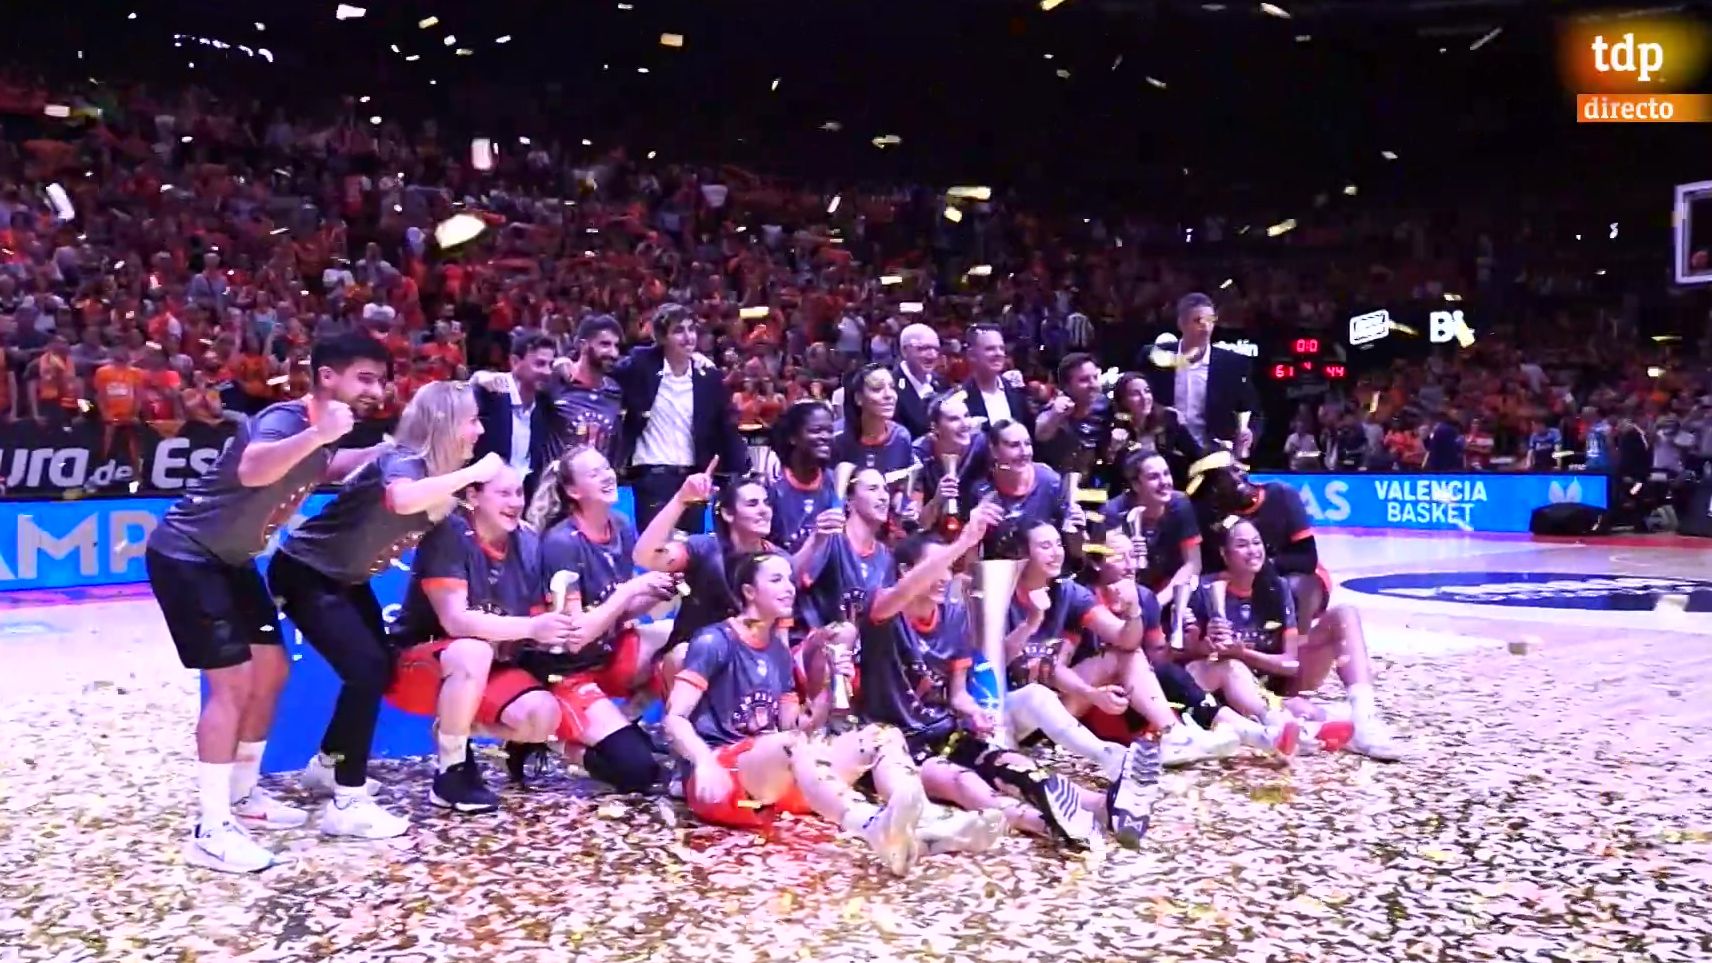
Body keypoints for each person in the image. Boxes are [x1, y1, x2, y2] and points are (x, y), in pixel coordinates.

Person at [144, 332, 389, 872]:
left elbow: (322, 467)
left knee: (272, 669)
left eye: (380, 380)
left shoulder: (326, 433)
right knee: (231, 685)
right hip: (186, 555)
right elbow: (254, 468)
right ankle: (210, 829)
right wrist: (319, 435)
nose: (376, 390)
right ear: (327, 377)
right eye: (365, 379)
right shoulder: (285, 419)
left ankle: (242, 794)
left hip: (232, 561)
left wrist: (375, 453)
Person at [270, 382, 504, 839]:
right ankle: (347, 803)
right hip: (305, 571)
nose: (479, 431)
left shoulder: (437, 473)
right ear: (445, 423)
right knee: (366, 670)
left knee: (379, 667)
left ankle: (329, 765)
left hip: (344, 577)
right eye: (472, 421)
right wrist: (474, 472)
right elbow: (402, 499)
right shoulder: (404, 461)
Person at [859, 511, 1160, 850]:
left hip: (947, 734)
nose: (944, 576)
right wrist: (963, 543)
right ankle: (1047, 824)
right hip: (898, 744)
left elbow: (957, 694)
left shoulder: (953, 616)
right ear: (906, 571)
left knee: (1014, 765)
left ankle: (1105, 807)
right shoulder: (881, 609)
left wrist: (974, 712)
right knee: (964, 783)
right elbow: (898, 595)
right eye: (936, 566)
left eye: (948, 568)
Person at [663, 551, 933, 877]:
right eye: (776, 580)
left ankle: (920, 821)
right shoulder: (714, 641)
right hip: (722, 781)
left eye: (790, 580)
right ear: (749, 592)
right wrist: (704, 762)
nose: (789, 588)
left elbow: (798, 725)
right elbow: (674, 718)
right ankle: (870, 824)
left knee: (883, 735)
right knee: (791, 744)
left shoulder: (778, 651)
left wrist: (830, 684)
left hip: (771, 785)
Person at [386, 466, 574, 813]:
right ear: (473, 496)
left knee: (541, 718)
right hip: (417, 664)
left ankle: (454, 728)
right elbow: (456, 621)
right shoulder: (449, 534)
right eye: (503, 493)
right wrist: (532, 628)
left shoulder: (528, 541)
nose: (515, 502)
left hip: (489, 666)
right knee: (472, 650)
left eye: (519, 493)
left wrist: (563, 625)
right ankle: (451, 773)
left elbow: (536, 616)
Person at [1003, 519, 1235, 767]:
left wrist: (1133, 610)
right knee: (1038, 693)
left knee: (1126, 654)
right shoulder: (1002, 592)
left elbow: (1125, 640)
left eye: (1059, 544)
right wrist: (1031, 623)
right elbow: (997, 660)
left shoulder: (1069, 592)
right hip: (1012, 710)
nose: (1056, 552)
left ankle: (1173, 733)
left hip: (1059, 704)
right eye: (1045, 546)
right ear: (1022, 554)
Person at [1184, 520, 1405, 761]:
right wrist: (1206, 646)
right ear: (1224, 554)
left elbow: (1291, 664)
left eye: (1256, 543)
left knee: (1345, 614)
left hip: (1273, 681)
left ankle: (1364, 721)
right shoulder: (1203, 590)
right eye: (1242, 545)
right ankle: (1301, 729)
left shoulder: (1277, 588)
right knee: (1301, 709)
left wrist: (1245, 653)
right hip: (1228, 685)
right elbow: (1184, 658)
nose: (1253, 550)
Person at [527, 445, 680, 790]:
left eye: (607, 468)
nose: (607, 476)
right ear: (573, 491)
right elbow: (576, 636)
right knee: (638, 773)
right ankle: (553, 743)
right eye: (594, 473)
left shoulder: (620, 526)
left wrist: (658, 592)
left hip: (608, 653)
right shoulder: (561, 543)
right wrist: (632, 589)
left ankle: (627, 720)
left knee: (682, 638)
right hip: (568, 670)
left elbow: (617, 612)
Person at [634, 464, 775, 688]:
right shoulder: (703, 549)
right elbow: (645, 557)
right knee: (680, 656)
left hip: (751, 660)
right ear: (728, 513)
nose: (764, 510)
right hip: (695, 657)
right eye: (752, 504)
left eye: (766, 503)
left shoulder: (779, 561)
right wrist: (681, 499)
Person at [617, 303, 748, 534]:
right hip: (652, 476)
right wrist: (564, 364)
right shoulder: (641, 365)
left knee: (691, 548)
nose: (688, 338)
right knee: (657, 547)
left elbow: (724, 424)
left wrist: (741, 468)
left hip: (694, 477)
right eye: (678, 331)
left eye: (691, 329)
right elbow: (607, 369)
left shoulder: (708, 377)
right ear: (661, 338)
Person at [1142, 293, 1260, 458]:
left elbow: (1253, 411)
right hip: (1165, 454)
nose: (1206, 327)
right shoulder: (1155, 357)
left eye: (1210, 320)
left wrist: (1249, 433)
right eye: (1198, 321)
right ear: (1181, 324)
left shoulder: (1232, 364)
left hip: (1214, 455)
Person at [472, 332, 565, 501]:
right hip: (481, 498)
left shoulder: (545, 403)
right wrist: (477, 377)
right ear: (515, 362)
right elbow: (458, 397)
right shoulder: (490, 391)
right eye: (540, 364)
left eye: (550, 365)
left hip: (522, 498)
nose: (547, 371)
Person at [1104, 452, 1202, 598]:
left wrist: (1158, 602)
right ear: (1136, 485)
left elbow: (1193, 563)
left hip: (1170, 590)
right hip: (1126, 590)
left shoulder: (1180, 504)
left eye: (1166, 474)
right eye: (1153, 477)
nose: (1164, 482)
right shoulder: (1113, 512)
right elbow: (1109, 570)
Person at [766, 400, 840, 553]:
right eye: (816, 431)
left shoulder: (836, 483)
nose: (825, 437)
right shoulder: (771, 486)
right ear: (793, 437)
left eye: (830, 431)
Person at [914, 389, 989, 533]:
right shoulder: (919, 455)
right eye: (954, 419)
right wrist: (937, 500)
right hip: (931, 535)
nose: (965, 424)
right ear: (935, 427)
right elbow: (918, 524)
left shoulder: (980, 444)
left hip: (974, 530)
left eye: (966, 416)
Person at [1034, 353, 1112, 476]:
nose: (1093, 385)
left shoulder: (1105, 405)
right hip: (1058, 479)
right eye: (1084, 380)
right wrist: (1055, 416)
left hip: (1095, 479)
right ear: (1066, 386)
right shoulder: (1056, 409)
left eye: (1095, 377)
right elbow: (1040, 435)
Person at [833, 362, 916, 476]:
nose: (889, 395)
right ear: (858, 398)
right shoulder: (836, 437)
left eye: (892, 387)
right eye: (877, 389)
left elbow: (910, 482)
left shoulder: (901, 437)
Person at [960, 323, 1034, 434]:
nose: (998, 353)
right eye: (990, 349)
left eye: (1001, 348)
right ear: (971, 355)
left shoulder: (1016, 392)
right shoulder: (960, 399)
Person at [892, 322, 950, 438]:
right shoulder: (890, 387)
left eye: (936, 349)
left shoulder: (941, 383)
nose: (932, 355)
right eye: (924, 348)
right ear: (905, 351)